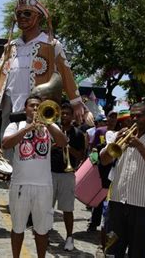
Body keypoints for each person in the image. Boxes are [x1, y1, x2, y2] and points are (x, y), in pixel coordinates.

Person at [0, 0, 84, 142]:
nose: (22, 17)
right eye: (19, 14)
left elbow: (66, 73)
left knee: (37, 147)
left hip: (39, 104)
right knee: (8, 145)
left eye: (27, 13)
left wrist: (76, 103)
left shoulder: (51, 45)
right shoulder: (11, 46)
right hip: (10, 103)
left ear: (38, 17)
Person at [2, 95, 67, 258]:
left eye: (39, 105)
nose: (36, 108)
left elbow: (63, 142)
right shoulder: (15, 125)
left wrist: (48, 124)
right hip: (20, 185)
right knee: (17, 227)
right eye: (32, 106)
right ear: (26, 109)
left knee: (42, 229)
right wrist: (28, 128)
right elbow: (6, 144)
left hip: (44, 186)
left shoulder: (49, 126)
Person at [100, 103, 145, 258]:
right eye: (133, 116)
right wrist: (116, 141)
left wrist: (139, 145)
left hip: (142, 207)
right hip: (117, 204)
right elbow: (103, 161)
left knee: (137, 252)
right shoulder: (119, 136)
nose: (135, 119)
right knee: (112, 251)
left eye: (139, 116)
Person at [51, 102, 85, 251]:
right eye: (62, 113)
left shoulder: (78, 134)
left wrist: (66, 146)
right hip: (50, 173)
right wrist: (54, 146)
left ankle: (69, 237)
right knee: (46, 207)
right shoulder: (53, 130)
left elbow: (80, 155)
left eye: (67, 114)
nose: (64, 116)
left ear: (72, 117)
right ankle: (43, 232)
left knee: (67, 209)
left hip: (67, 174)